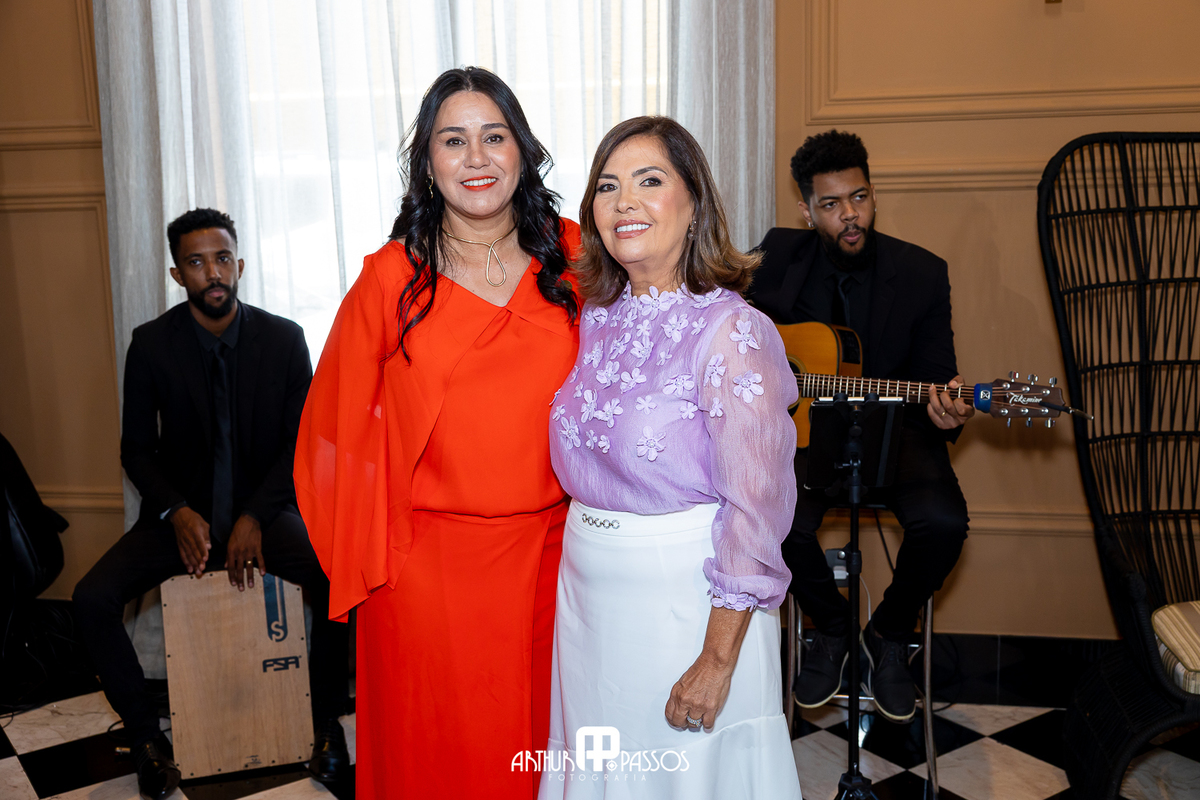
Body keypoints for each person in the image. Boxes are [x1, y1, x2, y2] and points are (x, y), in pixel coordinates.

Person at [293, 67, 580, 799]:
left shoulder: (577, 257)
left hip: (558, 561)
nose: (475, 158)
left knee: (542, 757)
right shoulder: (391, 279)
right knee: (441, 766)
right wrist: (374, 554)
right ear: (427, 161)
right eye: (453, 141)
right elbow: (329, 433)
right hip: (427, 577)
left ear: (523, 150)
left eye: (494, 137)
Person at [540, 116, 802, 798]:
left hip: (686, 607)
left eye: (649, 181)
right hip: (588, 604)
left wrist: (717, 658)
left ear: (694, 204)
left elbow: (756, 507)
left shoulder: (733, 330)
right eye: (607, 186)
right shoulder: (595, 320)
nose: (624, 201)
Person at [72, 208, 351, 800]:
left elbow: (300, 443)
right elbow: (136, 450)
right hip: (182, 517)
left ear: (240, 264)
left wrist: (253, 516)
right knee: (91, 597)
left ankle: (327, 724)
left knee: (336, 578)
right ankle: (147, 741)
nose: (213, 272)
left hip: (266, 511)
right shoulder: (151, 344)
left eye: (222, 258)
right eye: (197, 263)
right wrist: (177, 512)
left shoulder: (284, 339)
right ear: (179, 275)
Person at [748, 129, 973, 723]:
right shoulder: (775, 258)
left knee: (944, 522)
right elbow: (730, 331)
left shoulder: (922, 273)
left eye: (859, 198)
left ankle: (889, 635)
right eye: (831, 204)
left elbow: (936, 376)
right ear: (806, 210)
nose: (850, 215)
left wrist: (946, 406)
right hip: (804, 433)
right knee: (772, 518)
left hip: (898, 429)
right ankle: (830, 627)